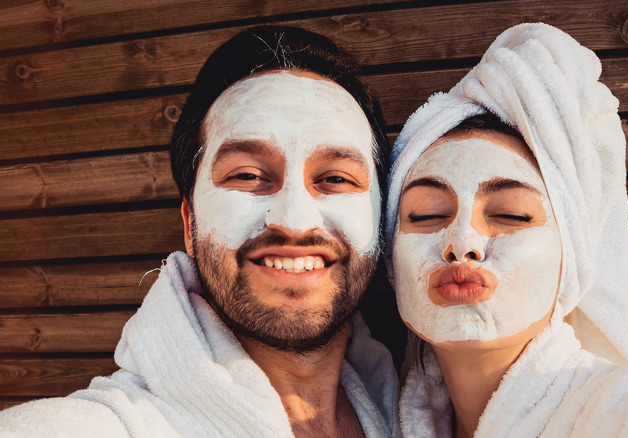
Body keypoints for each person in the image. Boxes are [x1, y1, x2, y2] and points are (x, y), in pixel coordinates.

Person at [0, 26, 399, 438]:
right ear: (190, 225)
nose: (294, 221)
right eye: (247, 175)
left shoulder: (409, 417)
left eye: (334, 178)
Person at [384, 23, 628, 437]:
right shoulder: (382, 421)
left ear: (569, 255)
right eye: (426, 216)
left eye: (512, 216)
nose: (461, 243)